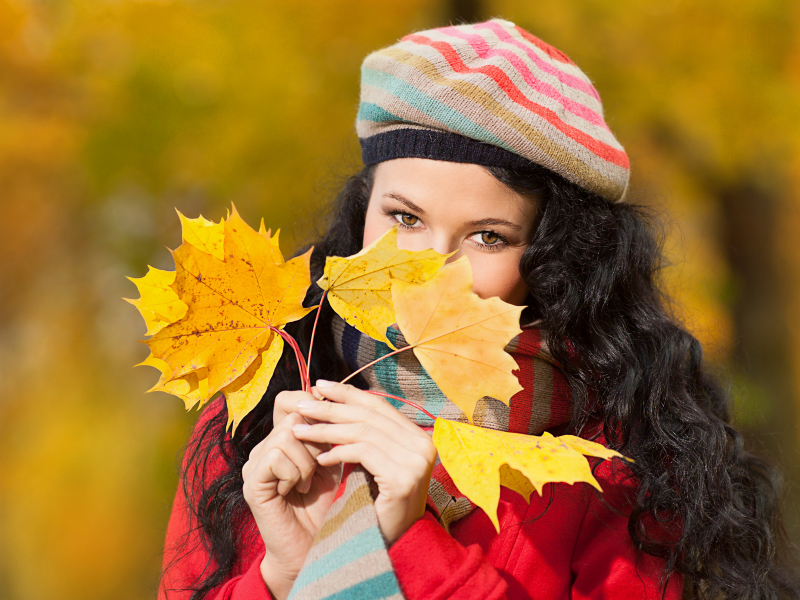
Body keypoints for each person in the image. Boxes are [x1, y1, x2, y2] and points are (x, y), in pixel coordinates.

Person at [158, 19, 799, 600]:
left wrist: (407, 549)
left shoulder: (613, 457)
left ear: (552, 253)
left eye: (487, 236)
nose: (428, 268)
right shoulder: (253, 418)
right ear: (362, 212)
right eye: (403, 217)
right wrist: (286, 576)